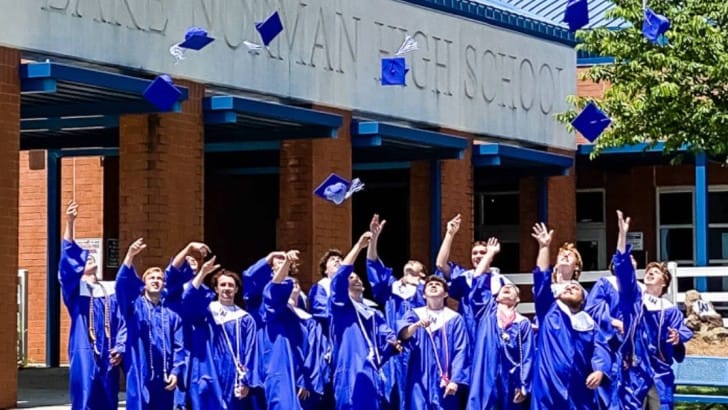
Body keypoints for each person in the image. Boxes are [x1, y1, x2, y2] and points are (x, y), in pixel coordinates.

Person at [613, 210, 693, 410]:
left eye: (655, 273)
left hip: (659, 371)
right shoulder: (633, 300)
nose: (649, 274)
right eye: (648, 271)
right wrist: (622, 236)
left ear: (664, 282)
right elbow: (623, 270)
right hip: (634, 370)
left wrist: (677, 337)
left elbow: (684, 330)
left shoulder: (670, 309)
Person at [530, 223, 611, 410]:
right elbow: (542, 278)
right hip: (548, 387)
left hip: (578, 389)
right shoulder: (549, 311)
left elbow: (601, 347)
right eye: (567, 287)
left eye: (575, 288)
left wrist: (599, 370)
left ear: (584, 299)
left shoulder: (589, 322)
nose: (570, 287)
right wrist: (544, 247)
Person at [58, 201, 126, 410]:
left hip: (108, 351)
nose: (89, 259)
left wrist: (120, 347)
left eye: (90, 258)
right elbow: (67, 262)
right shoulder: (75, 291)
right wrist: (70, 222)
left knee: (107, 398)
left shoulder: (110, 289)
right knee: (84, 396)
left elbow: (122, 321)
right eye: (84, 260)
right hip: (84, 348)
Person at [329, 231, 403, 410]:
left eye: (357, 277)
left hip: (373, 372)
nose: (355, 279)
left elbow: (386, 337)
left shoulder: (373, 314)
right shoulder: (341, 306)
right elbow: (339, 278)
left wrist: (393, 344)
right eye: (350, 277)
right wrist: (359, 246)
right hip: (350, 369)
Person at [181, 255, 261, 410]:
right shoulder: (206, 312)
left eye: (231, 285)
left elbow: (251, 352)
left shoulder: (244, 319)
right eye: (222, 285)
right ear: (216, 288)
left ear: (237, 289)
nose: (227, 288)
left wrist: (246, 381)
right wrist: (202, 273)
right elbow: (188, 300)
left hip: (233, 375)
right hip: (207, 372)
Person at [115, 238, 186, 410]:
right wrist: (130, 255)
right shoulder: (134, 308)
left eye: (159, 278)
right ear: (144, 284)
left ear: (164, 284)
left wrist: (176, 373)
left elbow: (179, 348)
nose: (155, 281)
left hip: (164, 376)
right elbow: (122, 285)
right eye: (151, 278)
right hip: (140, 371)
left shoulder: (172, 316)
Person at [366, 214, 428, 405]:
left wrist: (418, 284)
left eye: (415, 262)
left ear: (423, 272)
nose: (409, 262)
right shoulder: (392, 287)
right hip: (393, 346)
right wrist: (374, 238)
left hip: (418, 346)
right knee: (390, 393)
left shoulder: (426, 289)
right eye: (408, 262)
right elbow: (373, 264)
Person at [467, 237, 533, 410]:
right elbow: (478, 281)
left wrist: (524, 384)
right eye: (503, 289)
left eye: (511, 289)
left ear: (518, 299)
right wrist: (489, 254)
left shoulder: (523, 323)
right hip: (485, 375)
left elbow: (527, 355)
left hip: (511, 379)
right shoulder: (486, 313)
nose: (506, 289)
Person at [259, 250, 324, 409]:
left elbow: (313, 352)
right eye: (288, 282)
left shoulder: (307, 319)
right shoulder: (273, 309)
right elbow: (274, 289)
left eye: (296, 283)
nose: (292, 285)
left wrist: (306, 379)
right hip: (280, 370)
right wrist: (286, 263)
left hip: (302, 376)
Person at [435, 213, 512, 343]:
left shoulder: (501, 281)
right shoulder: (464, 276)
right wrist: (450, 234)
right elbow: (440, 264)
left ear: (491, 256)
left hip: (491, 331)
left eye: (483, 253)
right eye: (474, 253)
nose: (478, 256)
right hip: (466, 329)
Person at [398, 274, 470, 410]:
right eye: (429, 285)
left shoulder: (454, 318)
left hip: (446, 377)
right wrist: (416, 325)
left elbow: (461, 350)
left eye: (438, 284)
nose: (433, 285)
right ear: (424, 295)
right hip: (419, 375)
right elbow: (403, 335)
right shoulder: (414, 314)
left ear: (445, 294)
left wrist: (455, 380)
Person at [164, 241, 213, 410]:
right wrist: (189, 248)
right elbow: (173, 269)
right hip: (175, 341)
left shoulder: (205, 291)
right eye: (188, 260)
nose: (191, 261)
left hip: (196, 345)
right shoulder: (174, 288)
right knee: (177, 388)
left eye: (195, 260)